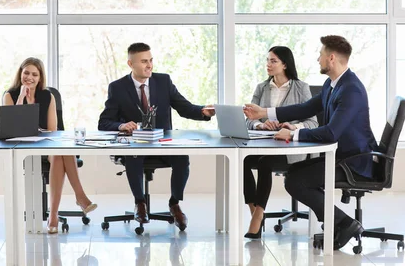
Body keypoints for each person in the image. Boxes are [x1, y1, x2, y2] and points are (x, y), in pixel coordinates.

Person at [244, 35, 378, 250]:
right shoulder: (333, 84)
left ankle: (344, 223)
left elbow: (332, 132)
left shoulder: (350, 89)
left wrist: (293, 134)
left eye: (321, 55)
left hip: (354, 162)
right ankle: (339, 222)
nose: (318, 59)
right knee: (294, 175)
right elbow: (304, 108)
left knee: (297, 181)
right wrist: (264, 112)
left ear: (331, 58)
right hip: (340, 156)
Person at [98, 42, 215, 230]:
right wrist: (121, 125)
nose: (149, 65)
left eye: (151, 60)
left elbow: (184, 107)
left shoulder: (163, 81)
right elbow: (104, 122)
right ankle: (140, 203)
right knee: (134, 156)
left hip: (162, 143)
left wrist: (203, 112)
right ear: (130, 64)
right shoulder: (118, 87)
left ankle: (174, 203)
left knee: (182, 158)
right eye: (144, 61)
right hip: (135, 144)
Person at [3, 57, 96, 234]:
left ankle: (54, 215)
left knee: (62, 153)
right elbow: (12, 126)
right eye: (26, 73)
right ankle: (78, 199)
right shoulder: (10, 95)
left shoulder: (48, 96)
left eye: (35, 74)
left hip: (46, 143)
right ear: (20, 73)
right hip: (23, 147)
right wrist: (23, 97)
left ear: (40, 77)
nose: (30, 77)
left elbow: (52, 129)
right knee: (61, 156)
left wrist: (34, 119)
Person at [243, 46, 318, 239]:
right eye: (267, 60)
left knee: (264, 164)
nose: (268, 64)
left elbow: (313, 122)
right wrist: (261, 125)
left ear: (285, 64)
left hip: (290, 148)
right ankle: (255, 212)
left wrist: (292, 127)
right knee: (242, 161)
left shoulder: (301, 88)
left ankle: (258, 216)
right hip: (264, 144)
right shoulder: (261, 88)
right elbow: (249, 119)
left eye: (273, 61)